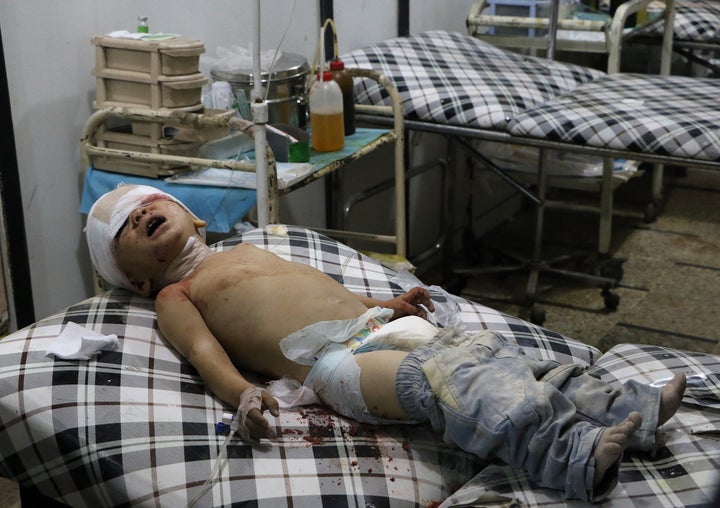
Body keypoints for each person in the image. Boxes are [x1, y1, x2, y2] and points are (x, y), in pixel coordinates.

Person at [85, 184, 687, 502]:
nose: (139, 217)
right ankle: (572, 458)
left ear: (195, 218)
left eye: (147, 204)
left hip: (372, 325)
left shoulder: (247, 248)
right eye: (125, 230)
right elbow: (201, 352)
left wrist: (384, 305)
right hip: (336, 361)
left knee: (507, 359)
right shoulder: (173, 296)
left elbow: (325, 293)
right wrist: (242, 393)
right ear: (135, 278)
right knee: (451, 385)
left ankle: (626, 409)